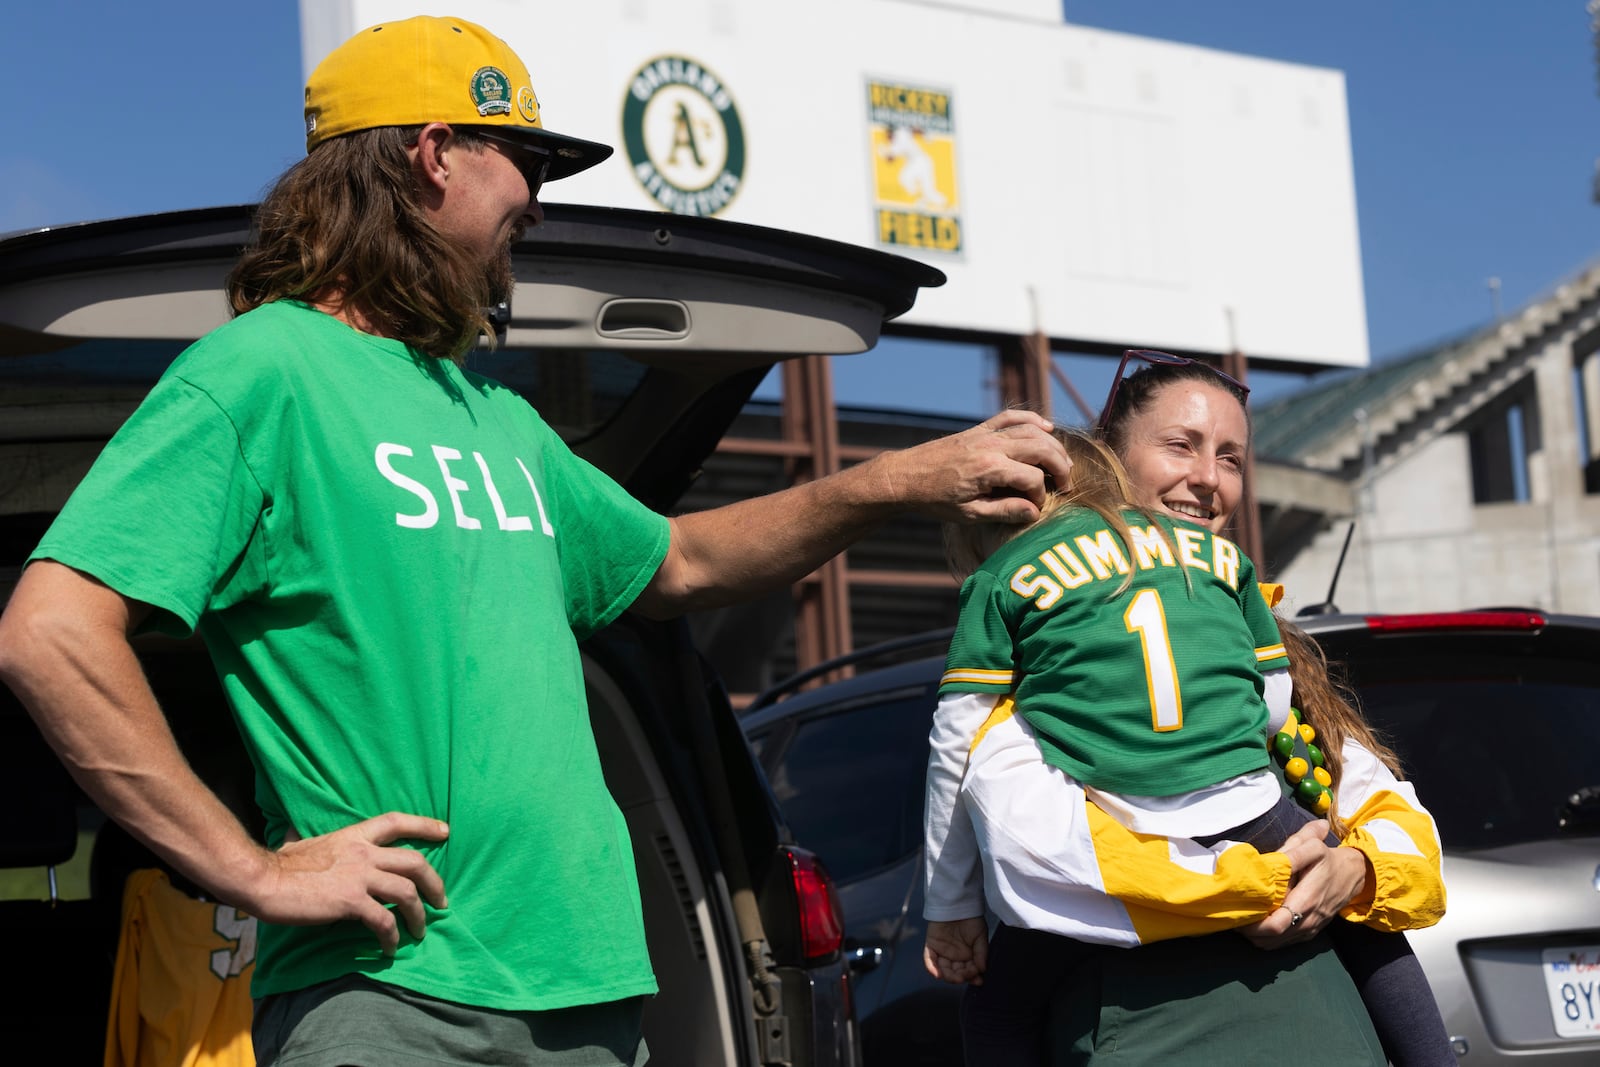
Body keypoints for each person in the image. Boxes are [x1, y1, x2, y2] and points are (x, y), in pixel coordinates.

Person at [0, 16, 1071, 1067]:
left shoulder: (492, 415)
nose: (538, 206)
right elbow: (50, 631)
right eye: (526, 162)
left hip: (591, 997)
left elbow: (681, 561)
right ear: (432, 155)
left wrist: (897, 480)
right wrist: (253, 870)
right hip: (397, 1001)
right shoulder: (261, 373)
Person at [922, 352, 1452, 1065]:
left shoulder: (1260, 633)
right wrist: (1247, 885)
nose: (1208, 477)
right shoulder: (1033, 683)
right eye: (1181, 444)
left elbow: (1398, 821)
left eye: (1230, 457)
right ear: (1106, 464)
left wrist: (1355, 871)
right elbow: (1050, 849)